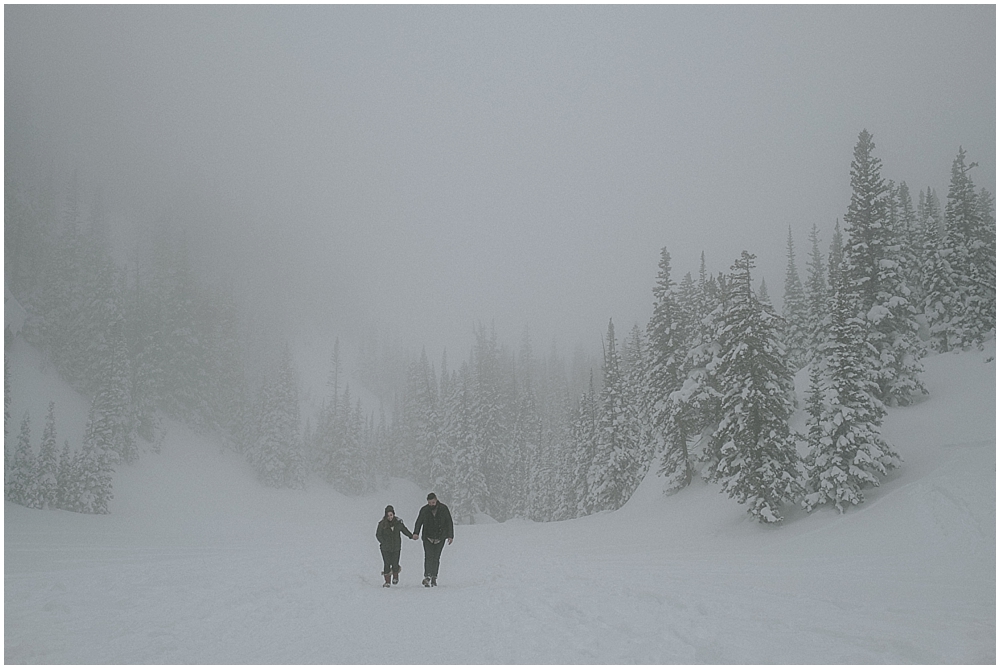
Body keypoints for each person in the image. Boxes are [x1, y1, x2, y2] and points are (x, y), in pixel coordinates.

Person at [412, 492, 454, 587]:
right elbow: (419, 521)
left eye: (433, 502)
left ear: (436, 500)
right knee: (428, 557)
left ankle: (434, 577)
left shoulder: (443, 509)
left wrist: (450, 536)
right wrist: (416, 532)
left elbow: (449, 522)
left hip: (440, 538)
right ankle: (427, 576)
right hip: (428, 538)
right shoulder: (424, 510)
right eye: (430, 503)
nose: (431, 504)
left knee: (436, 558)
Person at [375, 505, 416, 587]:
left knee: (395, 562)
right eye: (388, 515)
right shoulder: (382, 524)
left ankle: (395, 577)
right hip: (385, 548)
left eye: (391, 515)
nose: (390, 517)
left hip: (396, 547)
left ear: (393, 514)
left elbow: (404, 530)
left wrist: (411, 536)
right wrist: (383, 542)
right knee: (386, 563)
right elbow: (378, 535)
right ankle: (387, 581)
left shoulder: (398, 523)